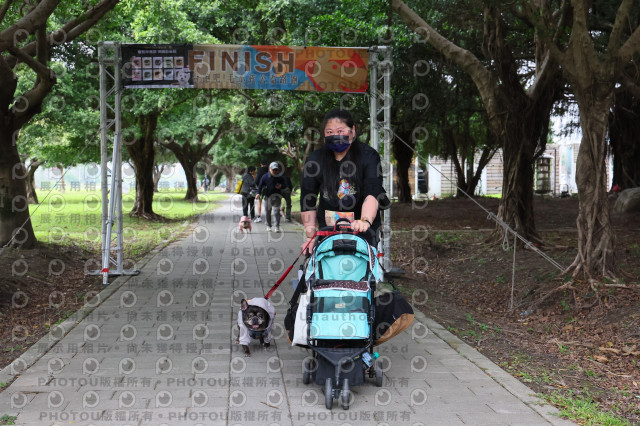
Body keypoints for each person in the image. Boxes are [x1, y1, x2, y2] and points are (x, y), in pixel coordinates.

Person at [300, 108, 387, 253]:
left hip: (362, 228)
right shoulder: (315, 159)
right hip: (328, 229)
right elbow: (308, 198)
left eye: (340, 131)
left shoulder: (368, 156)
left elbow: (372, 191)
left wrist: (365, 220)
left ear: (352, 130)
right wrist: (310, 236)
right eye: (329, 132)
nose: (335, 135)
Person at [257, 162, 290, 233]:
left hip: (277, 197)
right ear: (269, 169)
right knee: (267, 212)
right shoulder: (265, 176)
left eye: (276, 170)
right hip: (267, 197)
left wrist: (281, 186)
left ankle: (277, 226)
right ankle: (268, 225)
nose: (275, 171)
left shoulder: (280, 177)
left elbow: (285, 185)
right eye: (273, 170)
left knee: (276, 212)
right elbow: (260, 186)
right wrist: (258, 193)